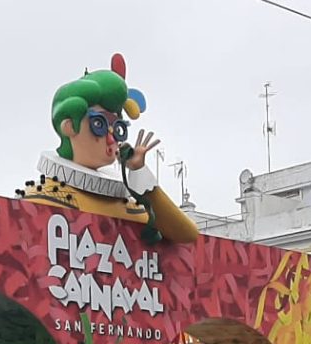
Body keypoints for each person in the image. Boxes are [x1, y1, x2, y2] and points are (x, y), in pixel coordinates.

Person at [16, 54, 198, 245]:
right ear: (69, 126)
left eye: (118, 128)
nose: (110, 139)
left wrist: (139, 173)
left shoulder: (129, 208)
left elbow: (186, 234)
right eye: (99, 124)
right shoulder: (42, 198)